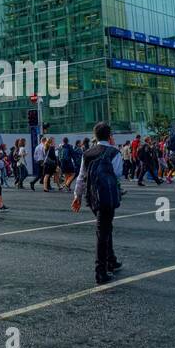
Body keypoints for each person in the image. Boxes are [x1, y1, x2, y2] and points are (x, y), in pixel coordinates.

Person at [71, 122, 123, 285]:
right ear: (109, 136)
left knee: (106, 227)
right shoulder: (114, 152)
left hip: (92, 196)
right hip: (108, 196)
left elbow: (81, 176)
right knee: (103, 231)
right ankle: (100, 271)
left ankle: (111, 260)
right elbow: (118, 174)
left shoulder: (87, 153)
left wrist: (77, 196)